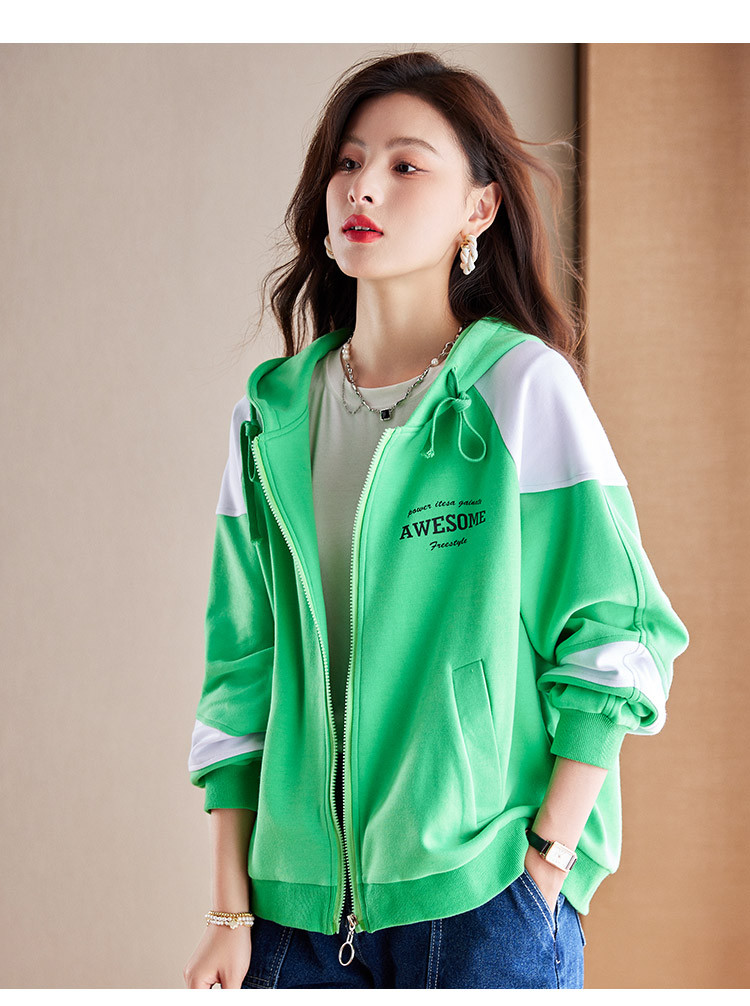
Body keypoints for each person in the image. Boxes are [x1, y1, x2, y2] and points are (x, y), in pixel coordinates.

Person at [183, 50, 690, 990]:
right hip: (289, 921)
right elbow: (240, 669)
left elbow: (618, 633)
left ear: (479, 209)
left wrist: (547, 864)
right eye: (347, 161)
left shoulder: (519, 390)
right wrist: (229, 911)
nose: (363, 186)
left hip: (484, 904)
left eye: (405, 164)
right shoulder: (270, 418)